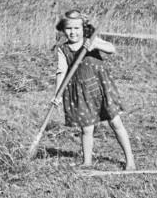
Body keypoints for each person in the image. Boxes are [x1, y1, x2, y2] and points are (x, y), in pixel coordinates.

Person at [53, 9, 135, 171]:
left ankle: (130, 161)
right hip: (81, 93)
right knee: (86, 128)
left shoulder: (91, 39)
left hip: (100, 88)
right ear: (63, 29)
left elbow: (111, 48)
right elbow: (61, 72)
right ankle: (87, 162)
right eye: (69, 28)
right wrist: (58, 94)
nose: (73, 32)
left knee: (115, 122)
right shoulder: (63, 49)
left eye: (77, 28)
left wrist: (96, 44)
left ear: (83, 28)